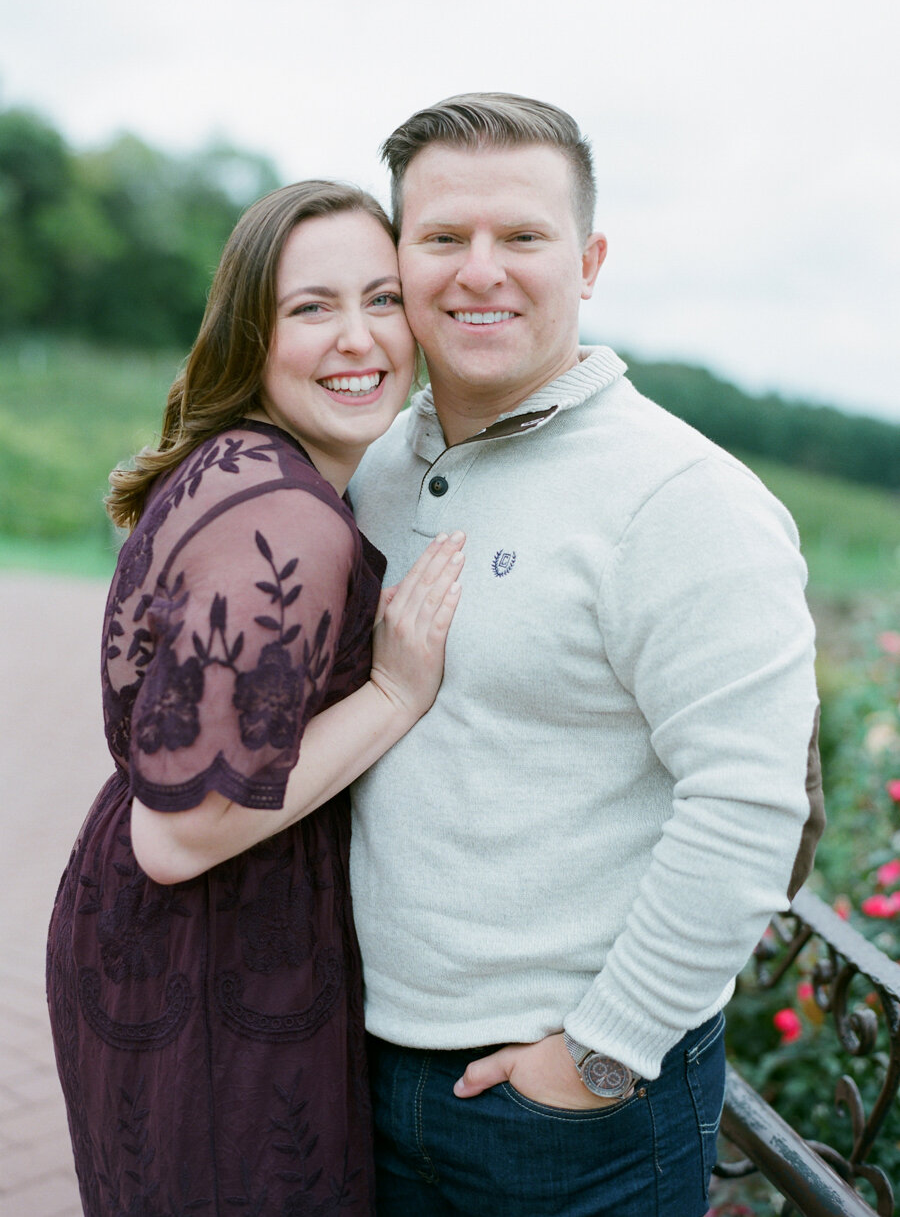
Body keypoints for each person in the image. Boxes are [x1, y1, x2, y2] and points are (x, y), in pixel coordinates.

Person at [348, 93, 825, 1216]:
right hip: (363, 1064)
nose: (481, 271)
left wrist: (600, 1056)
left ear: (590, 258)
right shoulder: (377, 465)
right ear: (400, 258)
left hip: (568, 1123)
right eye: (442, 237)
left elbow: (752, 804)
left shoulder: (681, 498)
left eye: (522, 236)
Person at [46, 180, 465, 1217]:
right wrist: (395, 690)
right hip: (213, 952)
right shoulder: (291, 520)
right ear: (252, 331)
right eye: (313, 306)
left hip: (155, 941)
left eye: (382, 298)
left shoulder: (246, 461)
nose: (359, 338)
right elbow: (181, 834)